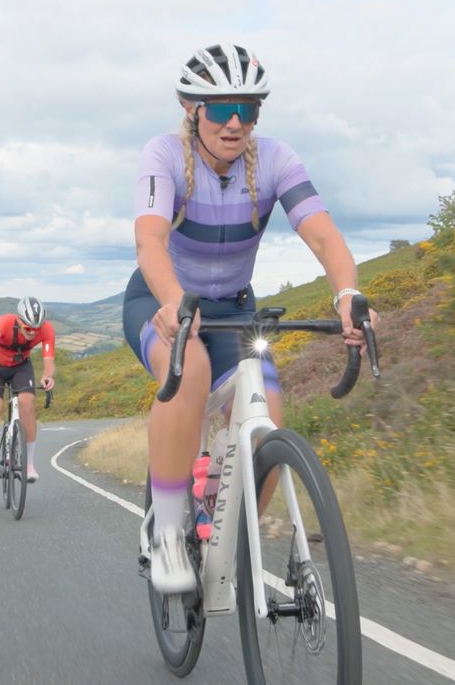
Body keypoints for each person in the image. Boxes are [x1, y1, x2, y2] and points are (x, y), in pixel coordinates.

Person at [123, 42, 379, 594]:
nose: (235, 121)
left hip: (235, 310)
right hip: (161, 300)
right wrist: (173, 300)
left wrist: (348, 292)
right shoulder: (163, 155)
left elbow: (321, 233)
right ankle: (166, 530)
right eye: (220, 108)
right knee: (187, 370)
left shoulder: (277, 160)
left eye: (248, 108)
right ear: (192, 110)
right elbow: (150, 239)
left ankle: (225, 532)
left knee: (269, 427)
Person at [0, 295, 56, 483]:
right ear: (19, 321)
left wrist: (47, 376)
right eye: (28, 328)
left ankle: (28, 463)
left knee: (27, 403)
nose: (32, 332)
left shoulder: (46, 330)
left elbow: (49, 362)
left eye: (36, 329)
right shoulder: (2, 324)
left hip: (21, 367)